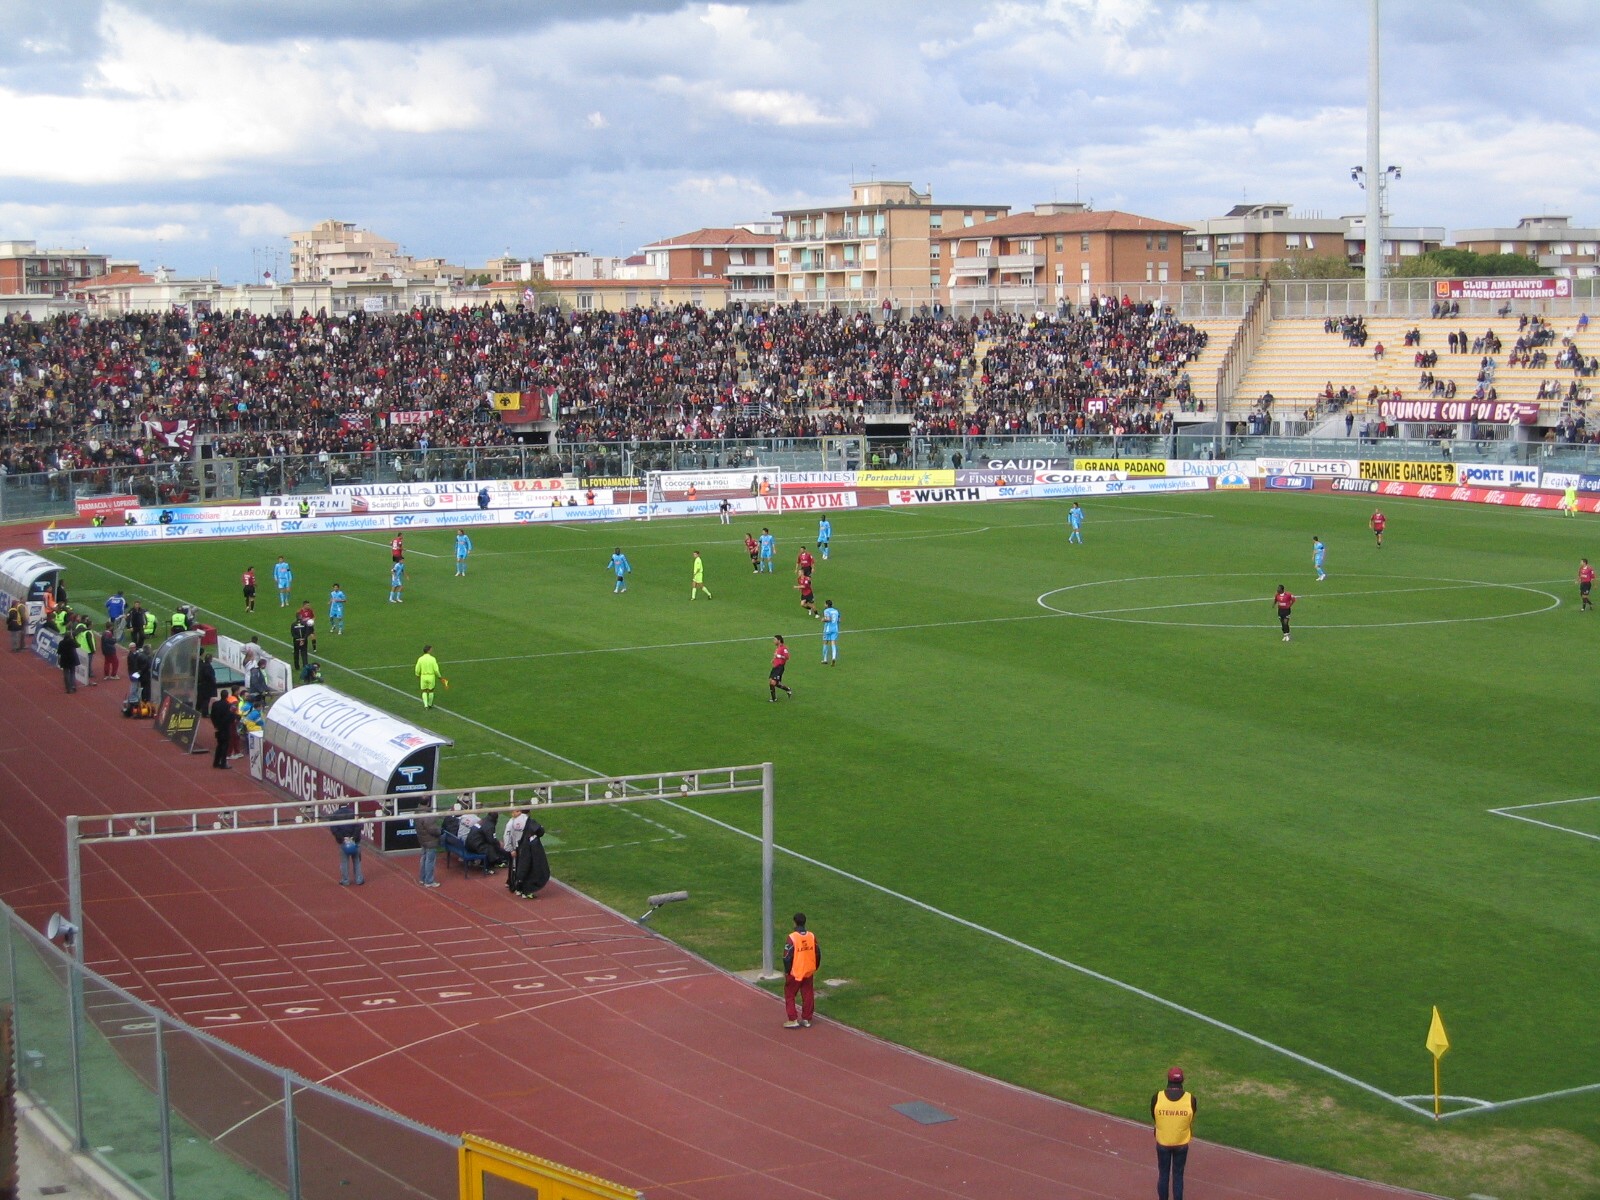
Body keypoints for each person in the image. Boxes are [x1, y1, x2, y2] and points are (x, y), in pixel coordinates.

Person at [1152, 1066, 1196, 1200]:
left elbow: (1154, 1116)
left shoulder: (1157, 1097)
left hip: (1163, 1142)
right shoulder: (1190, 1099)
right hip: (1181, 1142)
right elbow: (1191, 1117)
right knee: (1178, 1176)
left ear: (1168, 1079)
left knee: (1163, 1174)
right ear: (1182, 1080)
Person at [782, 912, 820, 1028]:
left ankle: (793, 1019)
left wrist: (787, 971)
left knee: (790, 994)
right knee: (808, 994)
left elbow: (787, 956)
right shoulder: (811, 936)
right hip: (808, 971)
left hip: (796, 972)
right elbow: (818, 953)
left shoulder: (792, 937)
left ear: (794, 922)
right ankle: (806, 1019)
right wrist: (815, 967)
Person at [507, 815, 551, 898]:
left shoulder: (513, 822)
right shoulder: (528, 823)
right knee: (526, 867)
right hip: (525, 847)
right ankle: (524, 889)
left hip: (518, 847)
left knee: (519, 867)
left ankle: (518, 887)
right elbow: (540, 831)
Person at [329, 804, 365, 886]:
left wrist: (343, 838)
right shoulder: (354, 813)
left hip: (343, 843)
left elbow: (334, 830)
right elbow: (358, 827)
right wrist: (353, 838)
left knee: (344, 862)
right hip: (355, 842)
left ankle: (345, 880)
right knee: (357, 861)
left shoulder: (335, 815)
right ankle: (359, 879)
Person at [414, 809, 443, 887]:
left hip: (423, 840)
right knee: (429, 861)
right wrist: (439, 831)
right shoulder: (426, 817)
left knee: (424, 858)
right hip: (430, 842)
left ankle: (422, 878)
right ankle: (429, 881)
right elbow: (433, 830)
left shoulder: (417, 812)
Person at [209, 690, 236, 769]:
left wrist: (215, 725)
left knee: (219, 745)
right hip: (225, 728)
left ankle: (216, 762)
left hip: (218, 727)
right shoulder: (228, 706)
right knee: (225, 745)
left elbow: (212, 715)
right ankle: (223, 763)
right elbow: (230, 717)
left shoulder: (215, 704)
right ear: (227, 696)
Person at [415, 644, 443, 708]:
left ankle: (425, 705)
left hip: (423, 676)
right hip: (431, 676)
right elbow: (436, 670)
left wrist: (417, 674)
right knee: (431, 690)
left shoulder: (420, 659)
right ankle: (430, 704)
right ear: (429, 650)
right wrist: (439, 676)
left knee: (424, 690)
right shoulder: (432, 659)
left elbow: (417, 668)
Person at [768, 634, 793, 702]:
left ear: (779, 640)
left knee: (773, 682)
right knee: (771, 681)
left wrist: (778, 656)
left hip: (779, 667)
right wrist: (773, 659)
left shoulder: (784, 648)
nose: (773, 641)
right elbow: (776, 655)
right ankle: (774, 698)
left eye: (775, 640)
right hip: (775, 667)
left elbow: (787, 657)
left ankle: (787, 689)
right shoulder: (778, 648)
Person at [197, 650, 218, 715]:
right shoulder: (207, 666)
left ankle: (200, 710)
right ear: (210, 659)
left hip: (204, 685)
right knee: (206, 699)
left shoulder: (203, 665)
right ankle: (205, 713)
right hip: (207, 686)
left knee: (203, 699)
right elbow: (208, 675)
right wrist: (213, 680)